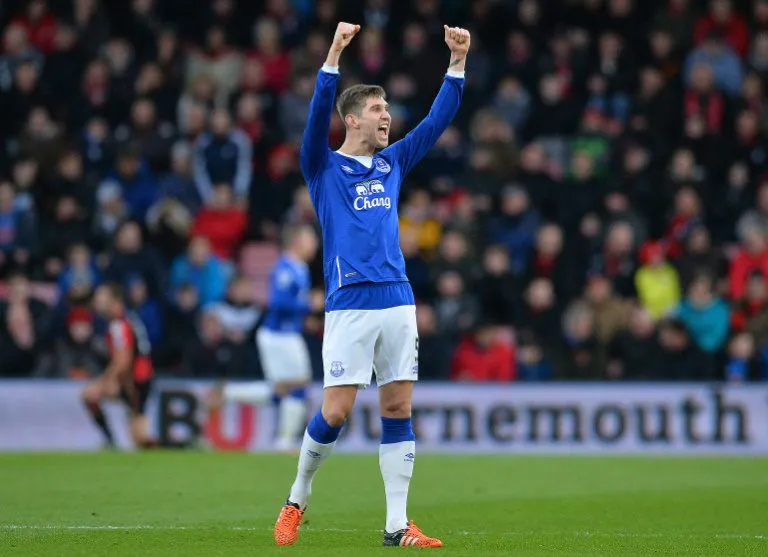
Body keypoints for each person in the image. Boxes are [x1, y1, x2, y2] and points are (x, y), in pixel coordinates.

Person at [273, 22, 470, 549]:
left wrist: (456, 63)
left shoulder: (392, 163)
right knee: (335, 412)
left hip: (397, 299)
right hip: (350, 304)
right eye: (379, 110)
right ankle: (297, 498)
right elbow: (317, 114)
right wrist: (333, 55)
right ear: (353, 119)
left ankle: (397, 526)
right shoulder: (322, 167)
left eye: (388, 110)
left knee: (398, 408)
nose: (388, 117)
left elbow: (436, 122)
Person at [210, 225, 321, 451]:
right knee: (296, 385)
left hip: (288, 334)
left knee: (282, 389)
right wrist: (308, 304)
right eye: (310, 240)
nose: (314, 245)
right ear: (297, 241)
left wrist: (305, 317)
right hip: (278, 335)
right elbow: (278, 302)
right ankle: (284, 441)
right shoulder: (285, 267)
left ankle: (229, 393)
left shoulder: (299, 267)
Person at [81, 283, 155, 449]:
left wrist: (108, 380)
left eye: (102, 298)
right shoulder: (129, 319)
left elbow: (123, 361)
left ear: (115, 302)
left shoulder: (118, 325)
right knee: (139, 435)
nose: (97, 302)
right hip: (142, 378)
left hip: (133, 380)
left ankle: (110, 441)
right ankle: (113, 441)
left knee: (89, 394)